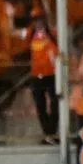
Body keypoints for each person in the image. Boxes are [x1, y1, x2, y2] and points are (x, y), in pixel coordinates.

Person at [25, 15, 59, 143]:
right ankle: (48, 134)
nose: (38, 23)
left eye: (40, 20)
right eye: (36, 21)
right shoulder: (30, 36)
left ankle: (52, 132)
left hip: (51, 75)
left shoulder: (52, 36)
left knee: (55, 103)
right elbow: (14, 33)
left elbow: (54, 55)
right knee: (40, 106)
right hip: (36, 76)